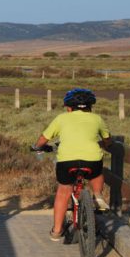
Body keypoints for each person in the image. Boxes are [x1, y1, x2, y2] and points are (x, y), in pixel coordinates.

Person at [31, 88, 111, 241]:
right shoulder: (97, 119)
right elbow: (108, 140)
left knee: (63, 192)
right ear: (90, 107)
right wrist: (103, 143)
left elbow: (43, 138)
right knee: (97, 173)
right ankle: (98, 195)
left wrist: (37, 146)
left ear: (69, 107)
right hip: (91, 160)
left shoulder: (61, 118)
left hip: (67, 162)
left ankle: (57, 231)